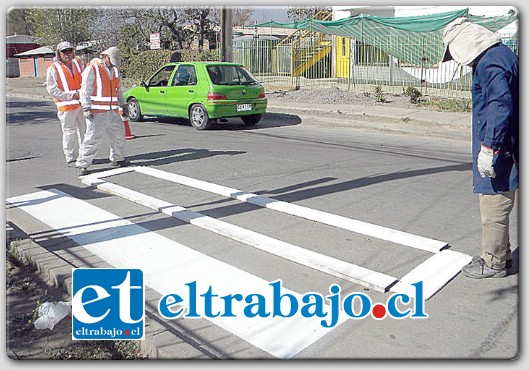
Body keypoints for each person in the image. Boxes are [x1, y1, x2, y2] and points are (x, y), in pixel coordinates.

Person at [441, 17, 519, 278]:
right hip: (508, 141)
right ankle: (502, 253)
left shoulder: (491, 62)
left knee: (493, 202)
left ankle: (494, 262)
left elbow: (499, 105)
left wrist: (489, 147)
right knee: (498, 198)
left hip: (500, 145)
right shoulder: (502, 55)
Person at [76, 46, 130, 176]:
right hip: (97, 112)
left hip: (113, 111)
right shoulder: (93, 68)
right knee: (92, 139)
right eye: (111, 60)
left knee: (118, 137)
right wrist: (86, 108)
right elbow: (85, 90)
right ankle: (83, 164)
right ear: (105, 57)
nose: (113, 63)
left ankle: (118, 159)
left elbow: (118, 90)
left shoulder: (115, 70)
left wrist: (123, 104)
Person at [45, 41, 86, 167]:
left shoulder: (78, 64)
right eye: (64, 51)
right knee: (69, 132)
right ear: (59, 53)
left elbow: (86, 81)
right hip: (66, 106)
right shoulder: (53, 68)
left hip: (81, 104)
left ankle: (84, 155)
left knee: (85, 131)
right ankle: (71, 157)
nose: (67, 54)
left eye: (69, 51)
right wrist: (70, 95)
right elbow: (52, 90)